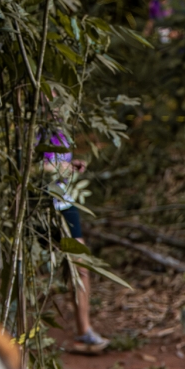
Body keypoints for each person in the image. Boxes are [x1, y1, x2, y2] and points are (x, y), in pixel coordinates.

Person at [42, 129, 109, 354]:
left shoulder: (63, 128)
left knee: (80, 264)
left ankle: (84, 330)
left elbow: (57, 164)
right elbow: (27, 168)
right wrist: (60, 168)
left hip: (64, 203)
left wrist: (71, 166)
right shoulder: (31, 127)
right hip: (36, 203)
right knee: (26, 266)